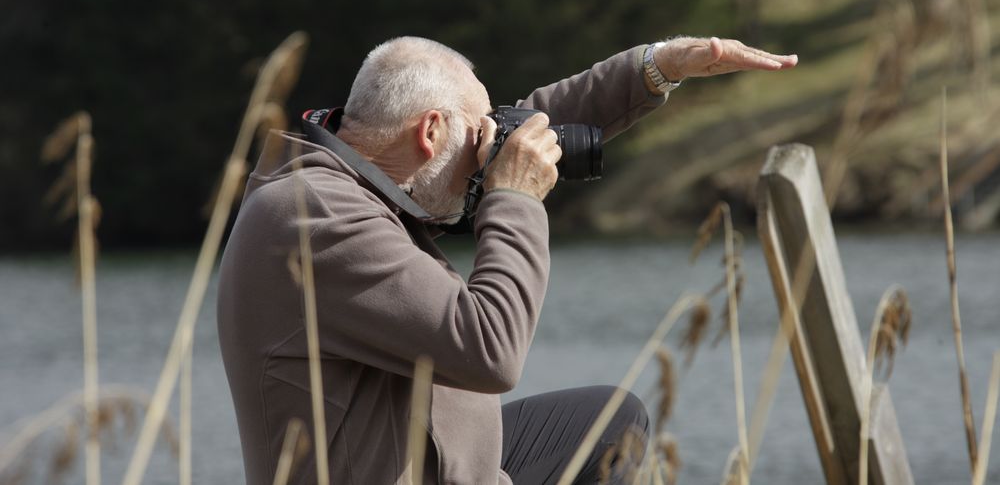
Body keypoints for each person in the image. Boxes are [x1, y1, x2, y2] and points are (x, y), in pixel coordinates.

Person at [217, 36, 797, 485]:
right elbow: (489, 349)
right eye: (476, 137)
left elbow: (519, 124)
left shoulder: (351, 179)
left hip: (445, 464)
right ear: (430, 132)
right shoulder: (313, 216)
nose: (484, 155)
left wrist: (655, 67)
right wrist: (513, 197)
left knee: (609, 421)